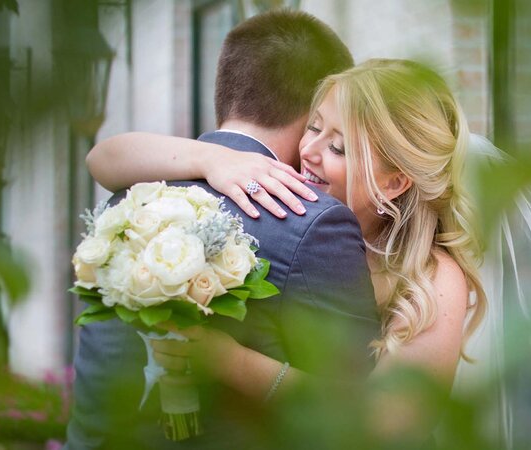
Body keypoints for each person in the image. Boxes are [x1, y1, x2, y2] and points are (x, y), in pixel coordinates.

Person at [87, 58, 531, 447]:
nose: (311, 152)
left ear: (393, 182)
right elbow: (106, 159)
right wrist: (212, 161)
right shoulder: (285, 212)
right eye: (314, 127)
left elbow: (387, 421)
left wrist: (224, 357)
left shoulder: (436, 280)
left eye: (340, 147)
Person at [65, 10, 380, 449]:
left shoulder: (124, 201)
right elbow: (359, 410)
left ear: (225, 91)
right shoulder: (315, 221)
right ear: (313, 113)